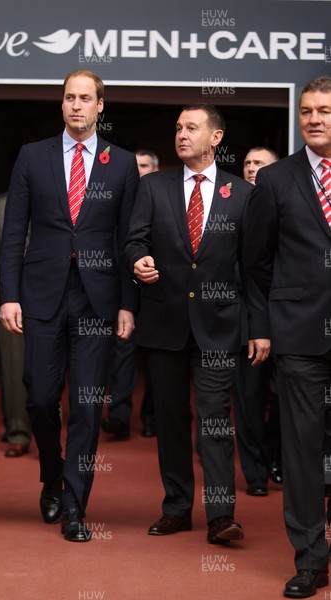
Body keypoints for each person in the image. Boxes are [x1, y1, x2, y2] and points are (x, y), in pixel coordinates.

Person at [0, 70, 139, 542]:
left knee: (85, 406)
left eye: (85, 99)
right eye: (69, 98)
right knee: (38, 396)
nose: (76, 106)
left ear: (101, 105)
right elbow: (14, 232)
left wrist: (127, 304)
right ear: (61, 105)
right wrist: (10, 294)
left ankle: (75, 505)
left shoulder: (121, 163)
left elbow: (128, 240)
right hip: (40, 294)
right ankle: (52, 472)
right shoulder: (31, 157)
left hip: (96, 300)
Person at [125, 103, 267, 544]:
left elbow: (254, 268)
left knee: (214, 421)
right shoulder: (153, 186)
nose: (182, 134)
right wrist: (137, 260)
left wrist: (258, 326)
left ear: (216, 138)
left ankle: (222, 516)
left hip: (219, 325)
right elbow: (134, 239)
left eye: (191, 127)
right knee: (169, 419)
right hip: (164, 322)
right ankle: (177, 508)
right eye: (178, 128)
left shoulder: (242, 195)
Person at [243, 75, 331, 598]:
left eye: (325, 110)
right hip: (299, 335)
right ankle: (310, 559)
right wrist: (267, 325)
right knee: (301, 449)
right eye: (307, 111)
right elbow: (256, 261)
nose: (315, 118)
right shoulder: (276, 179)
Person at [101, 149, 159, 439]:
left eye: (145, 166)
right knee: (123, 350)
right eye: (135, 167)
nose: (139, 171)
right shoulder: (117, 199)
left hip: (158, 290)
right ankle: (119, 416)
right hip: (124, 288)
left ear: (155, 170)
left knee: (156, 358)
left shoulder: (163, 196)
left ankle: (151, 416)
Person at [234, 146, 281, 496]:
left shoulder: (288, 199)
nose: (252, 168)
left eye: (260, 163)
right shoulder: (232, 200)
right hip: (245, 317)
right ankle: (255, 474)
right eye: (248, 163)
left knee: (284, 398)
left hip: (290, 317)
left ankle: (278, 459)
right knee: (248, 397)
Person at [0, 194, 32, 458]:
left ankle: (46, 428)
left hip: (53, 297)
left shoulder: (62, 197)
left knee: (52, 367)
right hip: (8, 296)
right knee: (14, 368)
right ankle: (18, 431)